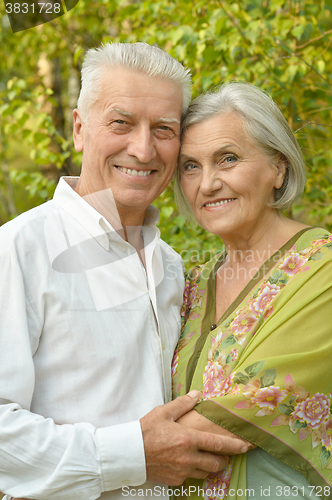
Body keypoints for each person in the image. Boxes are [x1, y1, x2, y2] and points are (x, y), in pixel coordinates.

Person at [0, 44, 249, 500]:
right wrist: (133, 453)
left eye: (163, 129)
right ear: (79, 129)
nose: (142, 148)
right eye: (121, 123)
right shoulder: (17, 251)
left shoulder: (173, 267)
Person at [172, 82, 332, 499]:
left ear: (278, 168)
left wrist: (104, 454)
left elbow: (244, 408)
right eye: (190, 166)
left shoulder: (323, 270)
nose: (207, 183)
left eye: (228, 159)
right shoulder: (192, 285)